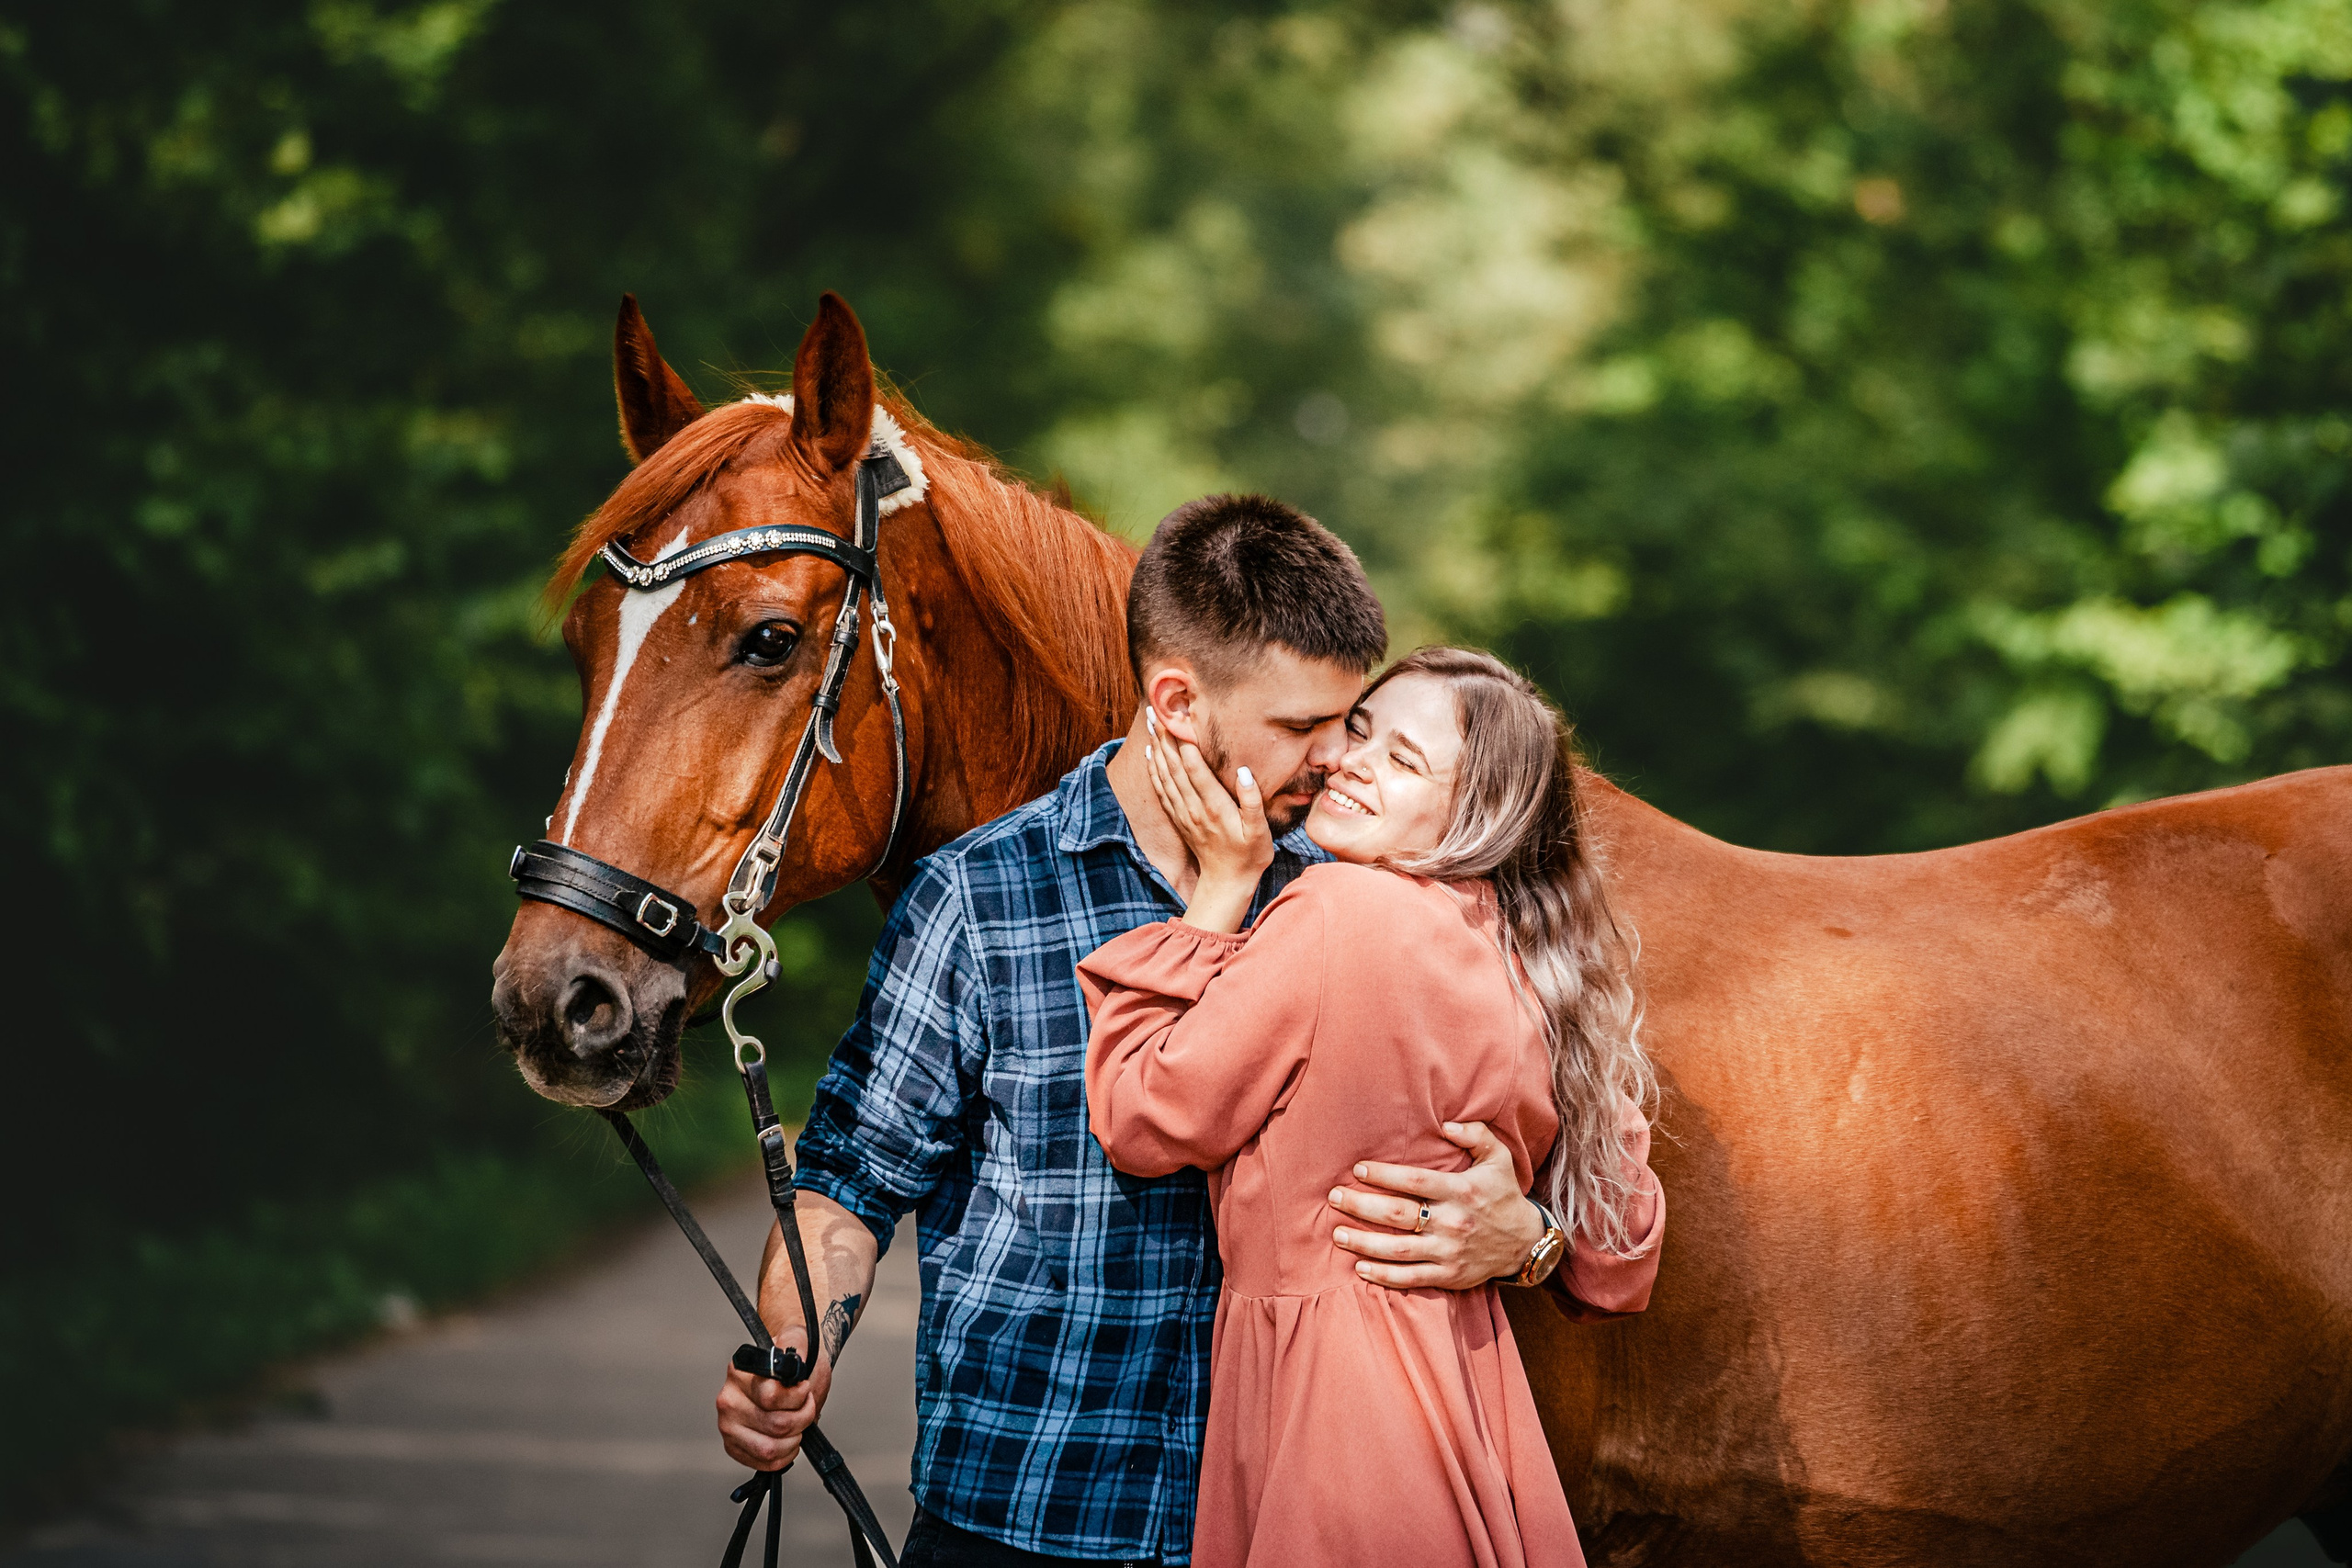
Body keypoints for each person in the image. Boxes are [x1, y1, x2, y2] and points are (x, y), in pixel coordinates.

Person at [716, 497, 1606, 1567]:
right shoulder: (981, 897)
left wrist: (1530, 1239)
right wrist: (796, 1346)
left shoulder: (1357, 893)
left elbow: (1557, 1111)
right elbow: (851, 1183)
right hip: (1027, 1508)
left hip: (1268, 1517)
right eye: (1299, 730)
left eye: (1350, 721)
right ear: (1177, 701)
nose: (1335, 761)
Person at [1080, 646, 1665, 1568]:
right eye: (1359, 730)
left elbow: (1144, 1116)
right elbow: (1619, 1253)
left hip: (1331, 1409)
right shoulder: (1534, 958)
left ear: (1474, 814)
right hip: (1469, 1400)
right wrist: (1533, 1239)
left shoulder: (1334, 910)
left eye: (1403, 760)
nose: (1347, 761)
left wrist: (1219, 895)